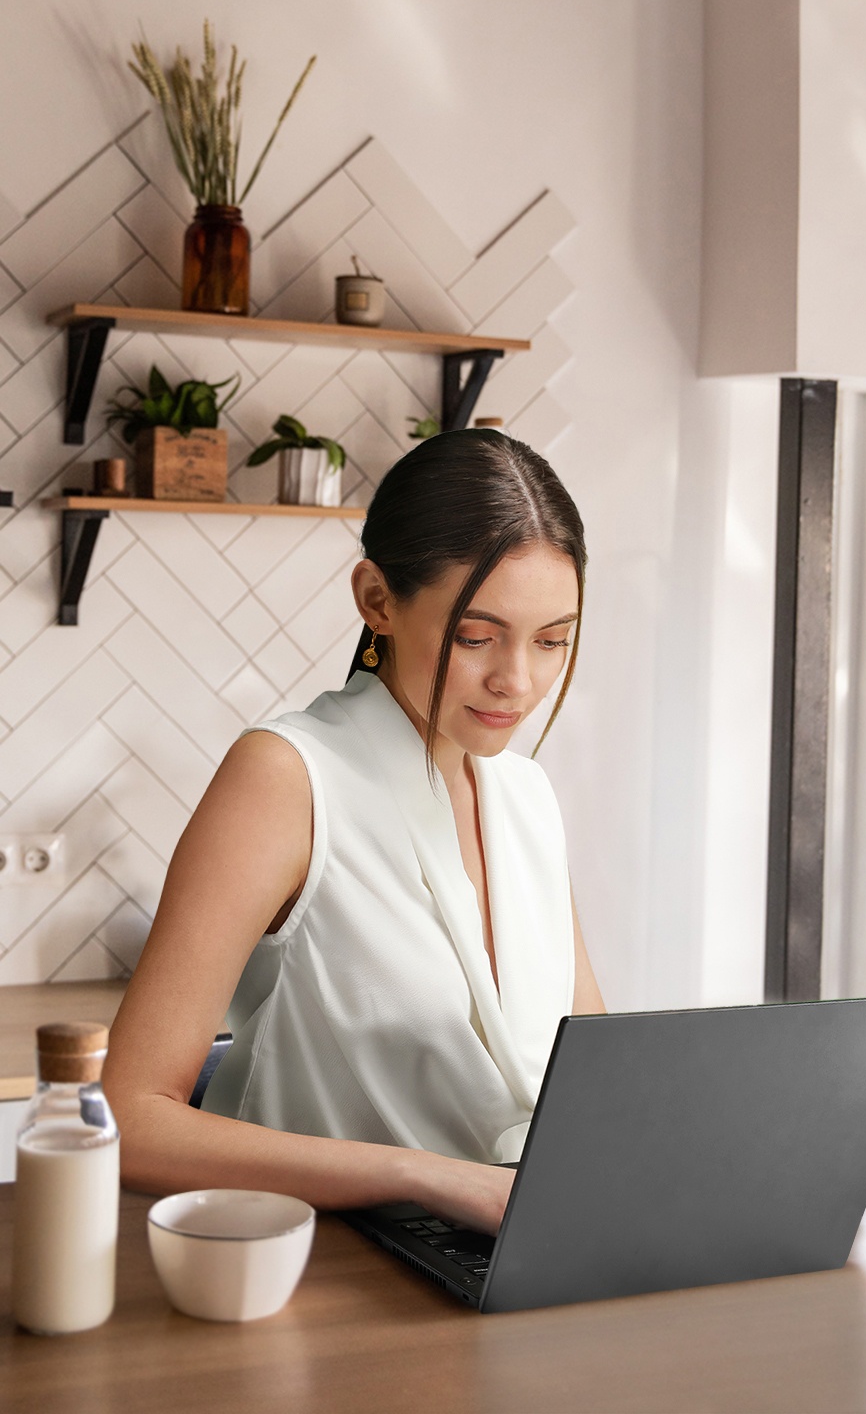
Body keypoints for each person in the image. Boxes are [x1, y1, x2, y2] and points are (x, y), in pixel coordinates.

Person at [103, 429, 604, 1237]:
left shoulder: (527, 796)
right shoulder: (287, 779)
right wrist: (425, 1177)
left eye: (552, 642)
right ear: (377, 599)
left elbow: (593, 1087)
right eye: (477, 636)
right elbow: (133, 1116)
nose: (518, 679)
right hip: (324, 1275)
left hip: (508, 1263)